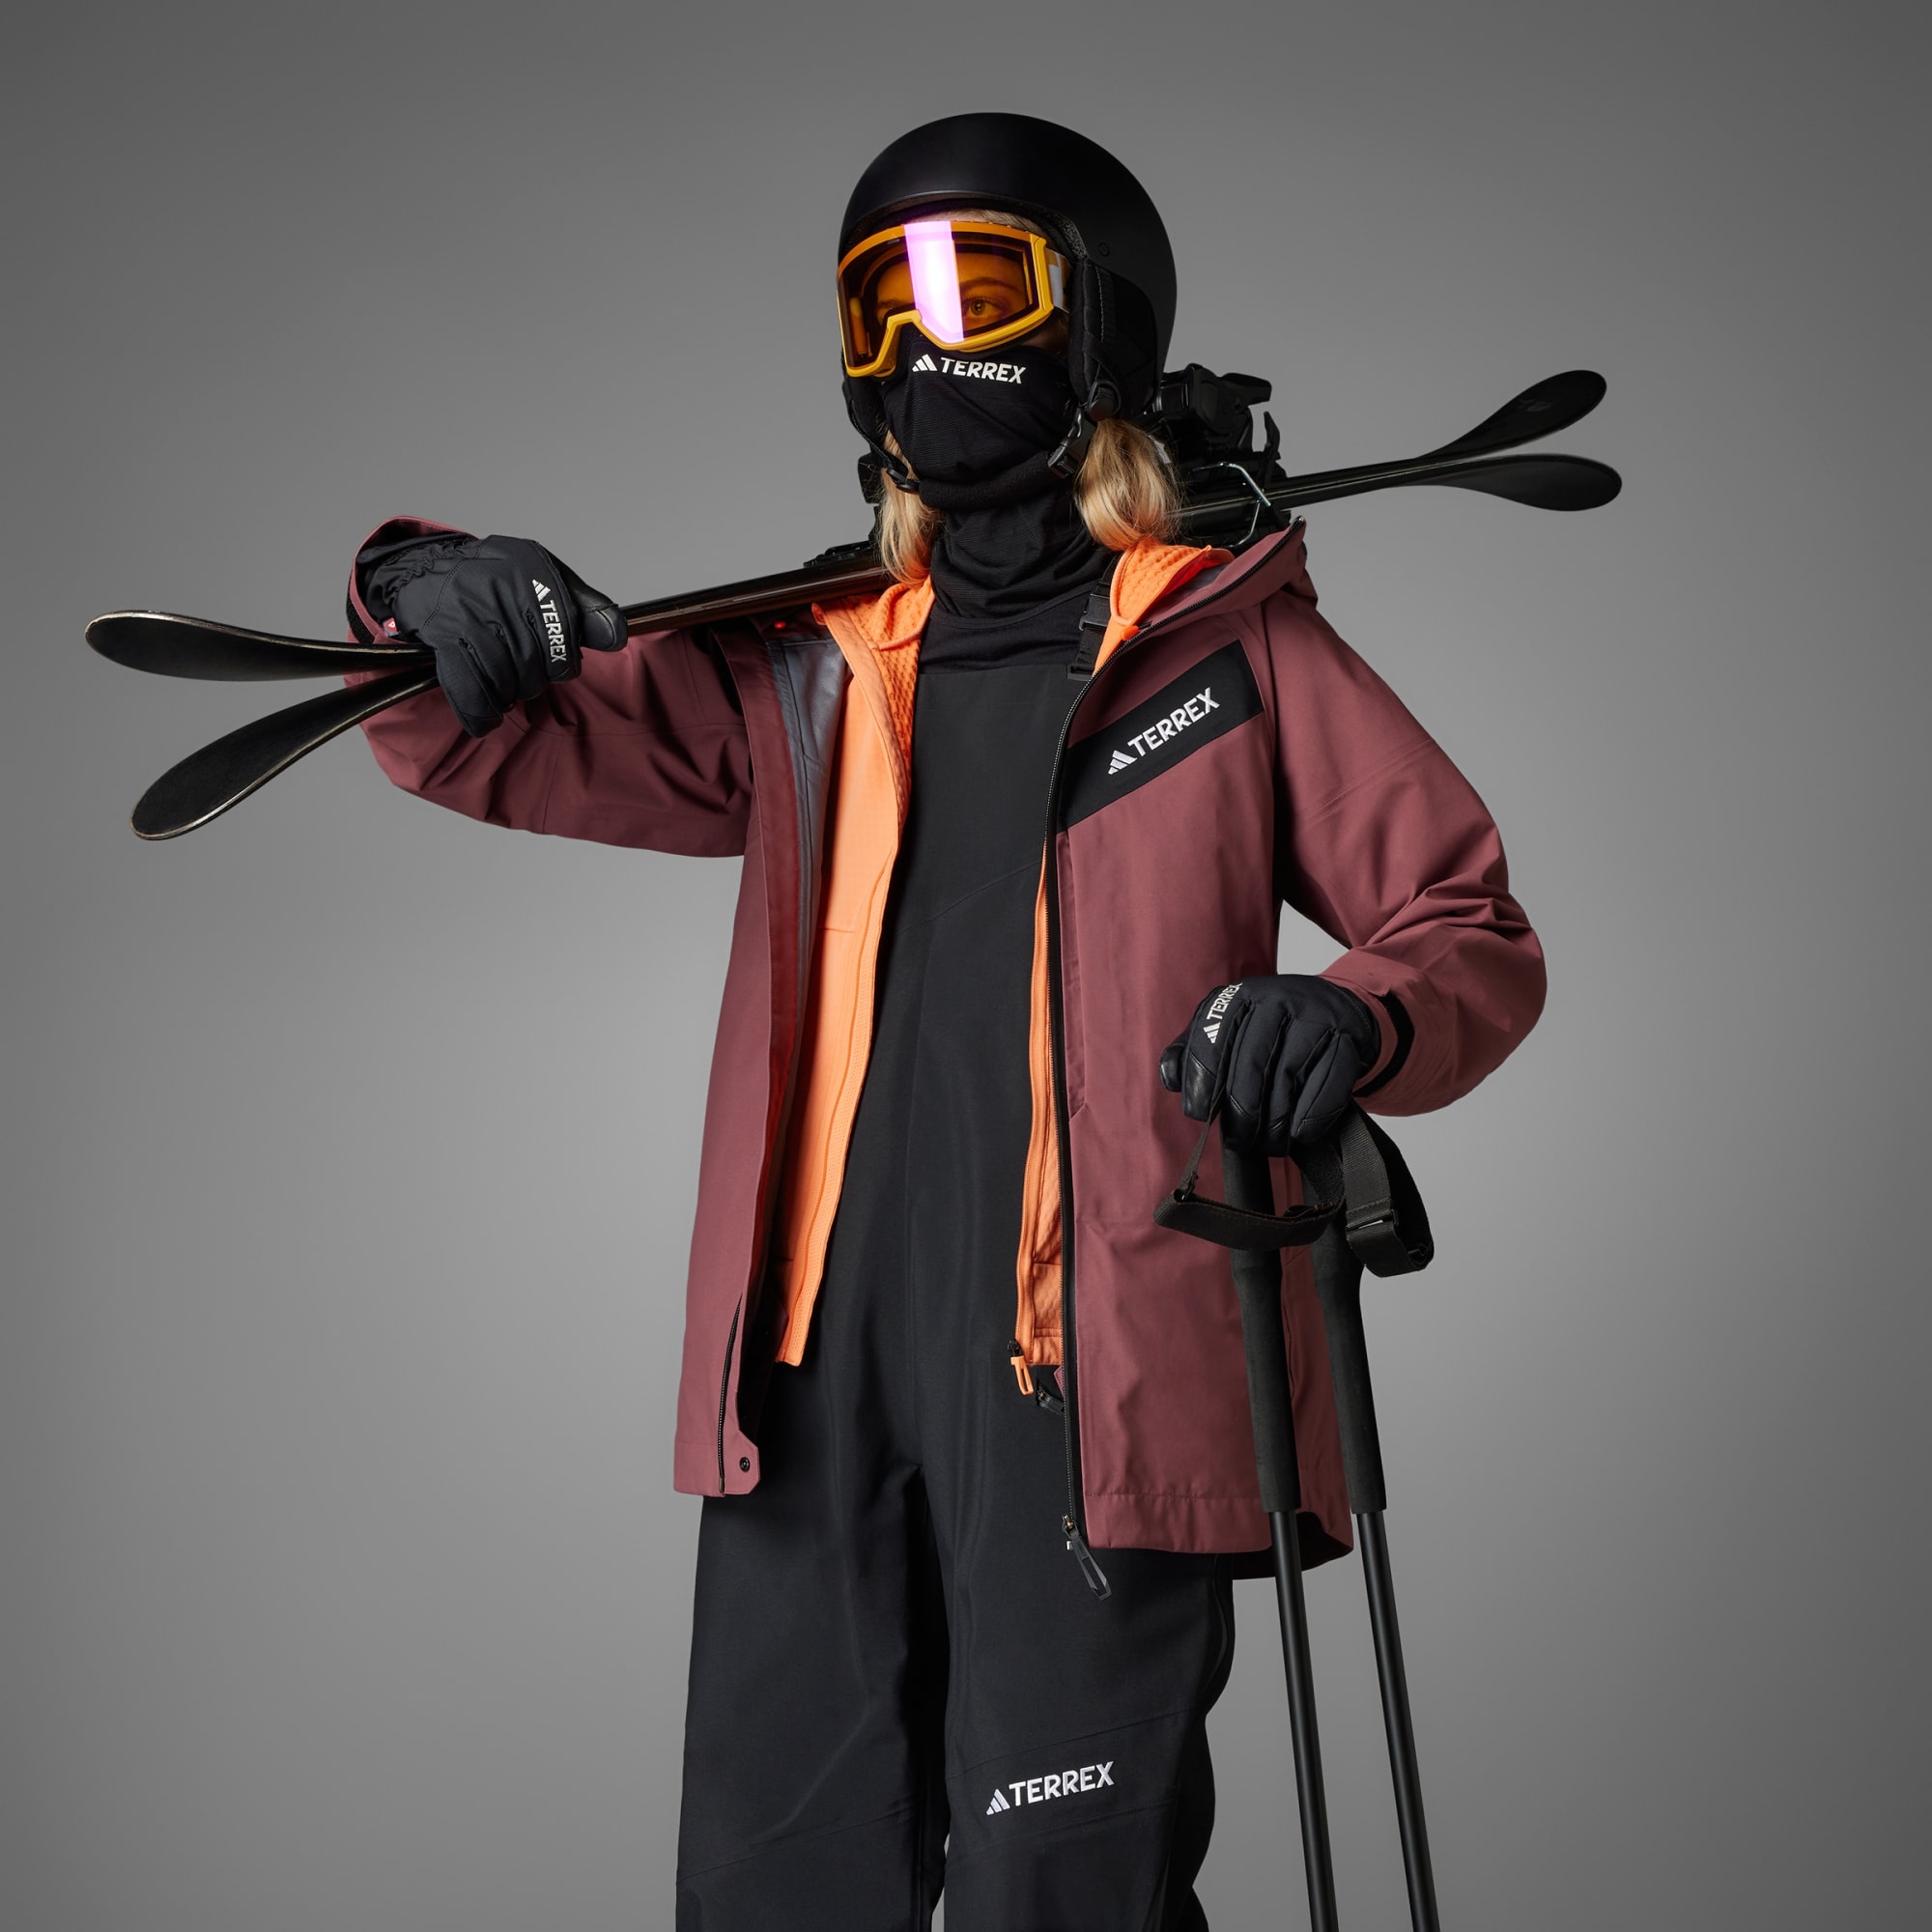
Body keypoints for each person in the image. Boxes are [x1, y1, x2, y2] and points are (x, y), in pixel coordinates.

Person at [343, 113, 1545, 1931]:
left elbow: (1465, 926)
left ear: (1097, 325)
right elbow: (485, 739)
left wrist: (1352, 1018)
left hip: (1087, 1396)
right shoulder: (809, 673)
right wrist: (419, 594)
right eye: (878, 304)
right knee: (772, 1897)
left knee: (1062, 1900)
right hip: (808, 1389)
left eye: (976, 290)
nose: (922, 342)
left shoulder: (1234, 658)